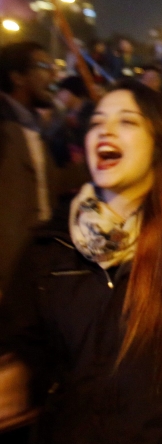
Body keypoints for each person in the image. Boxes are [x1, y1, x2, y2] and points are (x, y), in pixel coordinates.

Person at [0, 80, 162, 443]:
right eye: (96, 122)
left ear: (161, 144)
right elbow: (25, 341)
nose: (105, 130)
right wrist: (20, 373)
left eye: (127, 121)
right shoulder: (51, 244)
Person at [0, 42, 88, 296]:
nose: (52, 74)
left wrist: (97, 161)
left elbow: (47, 183)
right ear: (17, 77)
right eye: (42, 66)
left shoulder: (32, 127)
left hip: (33, 261)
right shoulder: (6, 128)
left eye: (52, 66)